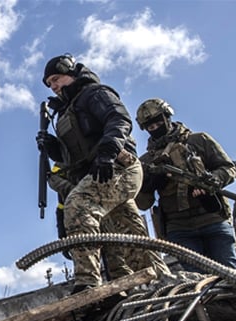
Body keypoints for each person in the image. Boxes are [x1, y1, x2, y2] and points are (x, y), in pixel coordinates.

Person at [36, 54, 169, 294]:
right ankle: (159, 284)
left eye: (56, 79)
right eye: (49, 84)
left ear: (72, 72)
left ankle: (87, 282)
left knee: (78, 204)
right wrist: (52, 146)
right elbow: (73, 156)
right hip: (99, 177)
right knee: (128, 239)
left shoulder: (94, 93)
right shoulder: (66, 111)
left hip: (118, 166)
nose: (53, 86)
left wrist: (107, 153)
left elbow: (119, 119)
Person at [135, 98, 236, 271]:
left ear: (167, 117)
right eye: (150, 127)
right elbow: (142, 202)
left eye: (159, 123)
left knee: (231, 275)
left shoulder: (198, 141)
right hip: (179, 228)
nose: (155, 129)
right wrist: (152, 182)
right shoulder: (146, 161)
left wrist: (212, 180)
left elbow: (228, 168)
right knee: (196, 282)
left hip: (213, 219)